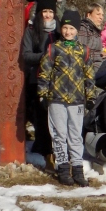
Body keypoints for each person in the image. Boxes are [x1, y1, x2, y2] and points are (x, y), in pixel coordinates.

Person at [38, 10, 94, 186]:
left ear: (77, 30)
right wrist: (42, 94)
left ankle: (77, 168)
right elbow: (44, 73)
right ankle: (62, 167)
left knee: (75, 135)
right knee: (59, 134)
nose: (68, 32)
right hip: (56, 98)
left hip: (77, 100)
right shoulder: (53, 48)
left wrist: (90, 96)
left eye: (71, 28)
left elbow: (89, 75)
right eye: (65, 28)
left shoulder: (84, 50)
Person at [21, 0, 58, 164]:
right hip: (37, 78)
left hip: (57, 79)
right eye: (44, 11)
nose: (48, 15)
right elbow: (26, 55)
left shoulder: (60, 30)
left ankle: (55, 148)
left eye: (50, 11)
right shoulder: (31, 30)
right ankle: (44, 150)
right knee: (41, 116)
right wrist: (45, 56)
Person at [78, 4, 106, 76]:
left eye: (102, 15)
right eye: (98, 14)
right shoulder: (83, 28)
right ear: (89, 15)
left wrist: (103, 53)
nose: (101, 17)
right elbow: (81, 51)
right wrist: (99, 54)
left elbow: (96, 50)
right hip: (90, 66)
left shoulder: (96, 30)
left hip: (98, 63)